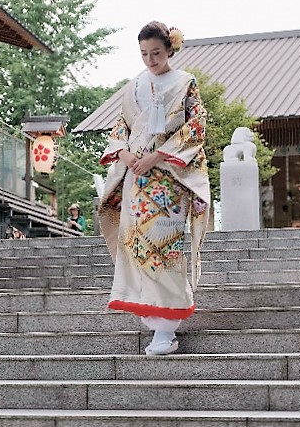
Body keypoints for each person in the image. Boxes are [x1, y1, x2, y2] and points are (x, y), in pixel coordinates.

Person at [95, 21, 213, 356]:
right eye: (145, 54)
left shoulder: (185, 83)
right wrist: (127, 152)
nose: (150, 59)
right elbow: (122, 126)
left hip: (169, 179)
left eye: (156, 53)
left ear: (170, 50)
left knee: (163, 248)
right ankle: (152, 318)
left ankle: (166, 328)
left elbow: (196, 126)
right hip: (136, 177)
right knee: (136, 248)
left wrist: (159, 156)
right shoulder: (133, 87)